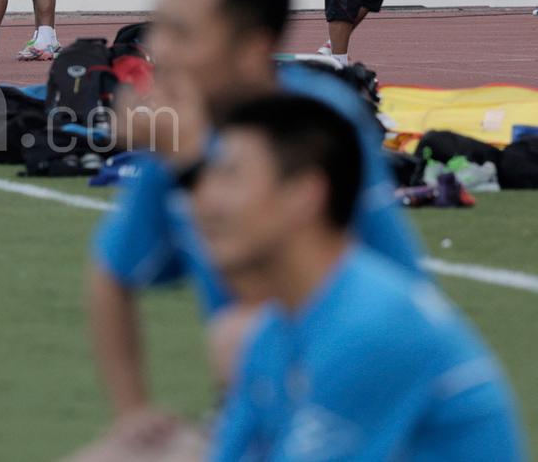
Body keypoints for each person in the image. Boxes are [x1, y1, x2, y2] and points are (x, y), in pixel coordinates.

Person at [86, 0, 426, 445]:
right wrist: (134, 413)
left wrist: (190, 163)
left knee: (238, 335)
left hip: (356, 384)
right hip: (260, 397)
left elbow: (276, 291)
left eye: (183, 32)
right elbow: (111, 275)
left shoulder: (315, 123)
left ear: (251, 48)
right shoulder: (182, 125)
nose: (160, 48)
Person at [199, 95, 525, 460]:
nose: (206, 200)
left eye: (232, 176)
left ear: (305, 195)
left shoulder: (371, 330)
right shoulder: (276, 329)